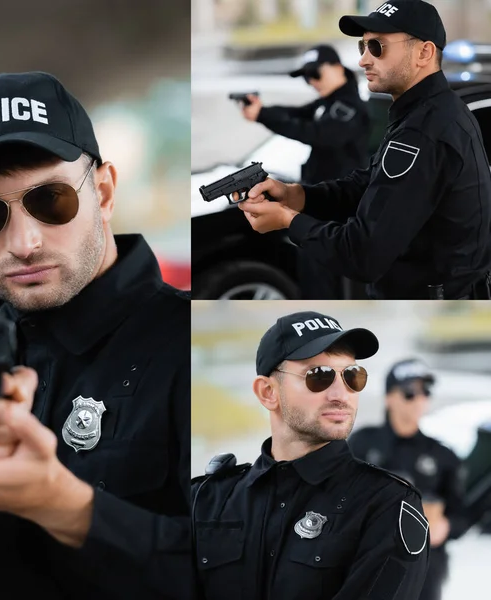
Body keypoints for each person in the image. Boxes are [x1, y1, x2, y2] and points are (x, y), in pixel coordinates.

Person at [0, 71, 190, 600]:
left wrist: (64, 505)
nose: (25, 242)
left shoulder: (189, 340)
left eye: (51, 201)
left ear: (103, 191)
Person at [237, 0, 491, 300]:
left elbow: (363, 254)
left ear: (424, 52)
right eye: (362, 47)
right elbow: (369, 184)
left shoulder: (424, 131)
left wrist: (288, 220)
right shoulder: (427, 113)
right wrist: (299, 196)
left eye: (377, 47)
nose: (363, 60)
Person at [192, 311, 429, 600]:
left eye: (352, 376)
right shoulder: (205, 500)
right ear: (268, 392)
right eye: (319, 376)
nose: (341, 394)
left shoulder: (387, 504)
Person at [240, 45, 370, 301]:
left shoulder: (350, 107)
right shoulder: (329, 102)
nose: (311, 82)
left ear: (336, 67)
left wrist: (264, 115)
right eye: (307, 77)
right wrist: (261, 111)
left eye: (315, 74)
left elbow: (317, 134)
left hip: (338, 212)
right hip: (316, 203)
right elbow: (297, 114)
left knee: (322, 283)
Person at [349, 358, 468, 600]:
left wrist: (446, 527)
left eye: (425, 391)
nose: (419, 399)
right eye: (409, 392)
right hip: (368, 561)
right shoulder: (361, 445)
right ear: (388, 398)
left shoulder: (442, 455)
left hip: (424, 567)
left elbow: (462, 512)